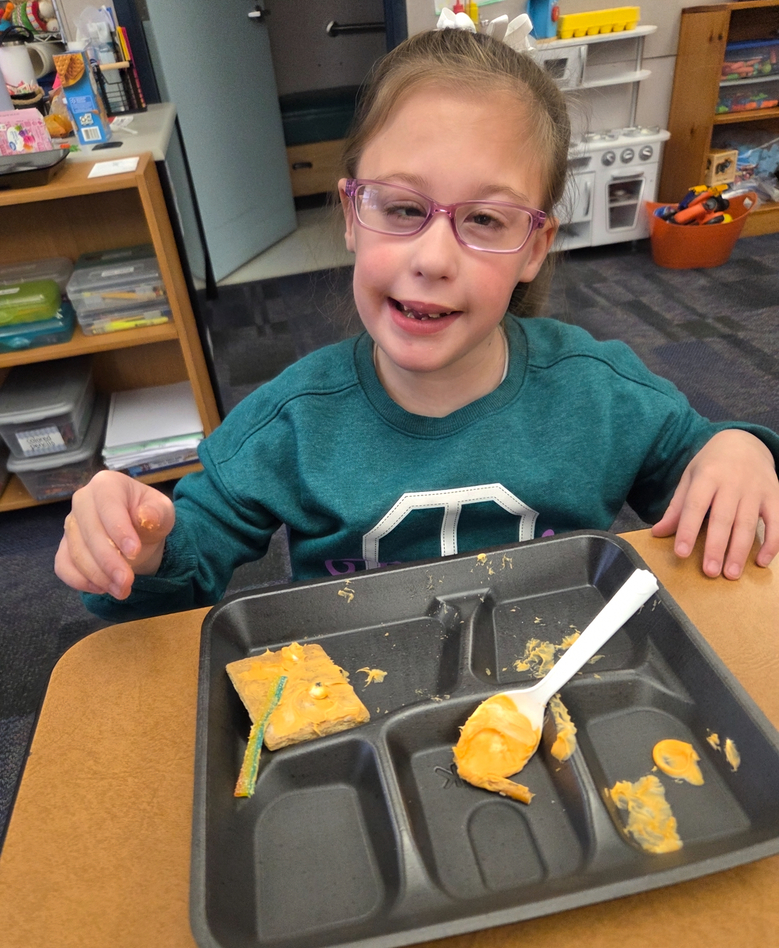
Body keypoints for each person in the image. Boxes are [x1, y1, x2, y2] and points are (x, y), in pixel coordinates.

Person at [55, 28, 779, 622]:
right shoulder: (291, 422)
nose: (432, 258)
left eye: (484, 219)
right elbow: (177, 580)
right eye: (402, 208)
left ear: (532, 247)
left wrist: (739, 450)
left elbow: (703, 472)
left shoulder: (598, 393)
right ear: (350, 215)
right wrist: (133, 549)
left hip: (570, 692)